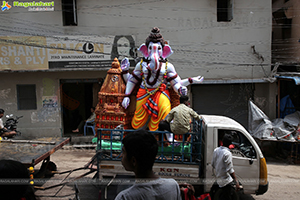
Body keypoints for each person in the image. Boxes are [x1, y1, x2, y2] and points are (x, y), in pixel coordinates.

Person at [114, 130, 181, 200]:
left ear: (134, 161)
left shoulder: (125, 197)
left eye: (124, 152)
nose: (121, 156)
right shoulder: (173, 186)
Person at [210, 134, 240, 200]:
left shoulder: (216, 150)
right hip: (226, 181)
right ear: (230, 144)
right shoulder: (227, 153)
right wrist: (236, 181)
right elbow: (230, 169)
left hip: (218, 178)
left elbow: (212, 164)